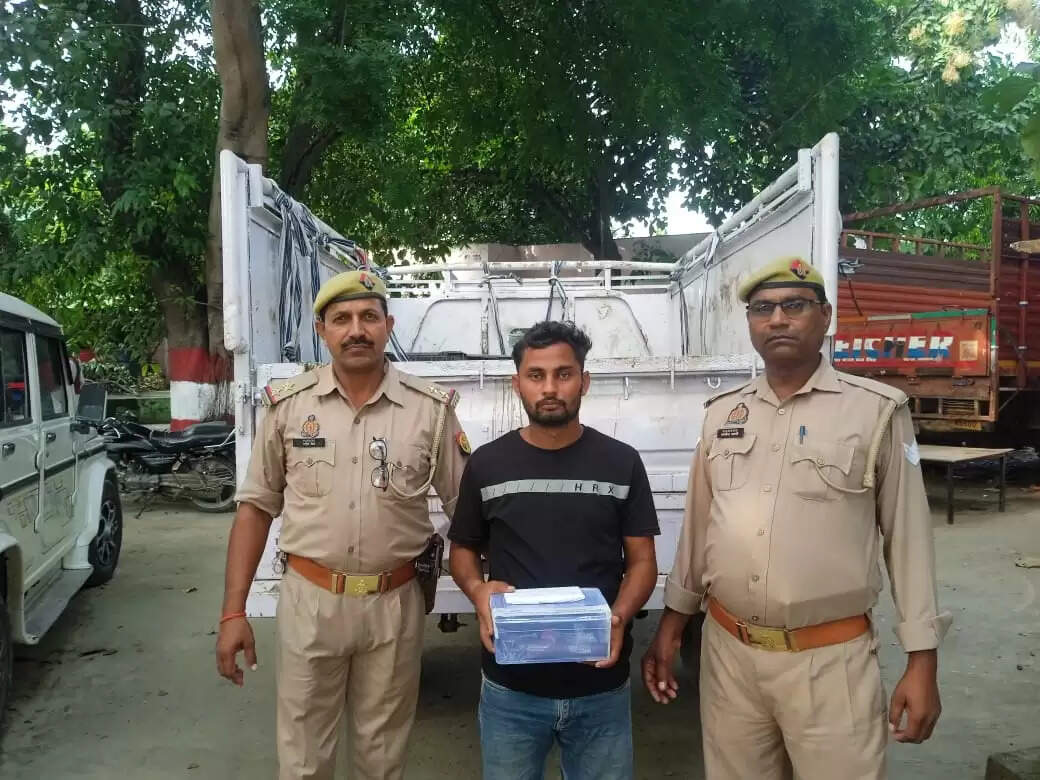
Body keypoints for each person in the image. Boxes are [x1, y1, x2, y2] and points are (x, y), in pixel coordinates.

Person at [642, 257, 952, 779]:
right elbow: (699, 530)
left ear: (825, 316)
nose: (778, 319)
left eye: (794, 305)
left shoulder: (875, 411)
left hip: (829, 662)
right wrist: (672, 623)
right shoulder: (723, 414)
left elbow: (909, 539)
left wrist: (923, 659)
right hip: (729, 657)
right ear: (750, 323)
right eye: (762, 309)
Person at [215, 269, 470, 780]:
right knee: (304, 759)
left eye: (369, 317)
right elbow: (255, 509)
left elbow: (468, 513)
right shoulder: (289, 407)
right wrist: (233, 613)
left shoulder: (431, 411)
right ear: (322, 330)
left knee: (382, 758)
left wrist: (491, 598)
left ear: (388, 326)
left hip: (394, 604)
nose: (357, 330)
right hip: (311, 601)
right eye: (342, 319)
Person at [448, 320, 660, 780]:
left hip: (600, 684)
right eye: (536, 375)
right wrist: (478, 591)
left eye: (563, 374)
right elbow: (462, 551)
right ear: (517, 384)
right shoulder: (487, 464)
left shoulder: (621, 462)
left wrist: (619, 617)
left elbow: (643, 562)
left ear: (584, 381)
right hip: (511, 689)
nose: (549, 388)